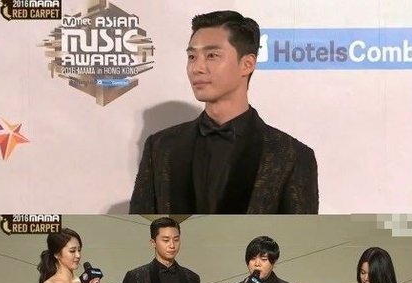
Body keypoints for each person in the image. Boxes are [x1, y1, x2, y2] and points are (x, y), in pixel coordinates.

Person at [129, 10, 318, 214]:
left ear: (247, 64)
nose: (197, 68)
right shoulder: (160, 147)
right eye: (192, 56)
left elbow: (300, 233)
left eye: (212, 55)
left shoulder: (291, 155)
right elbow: (138, 228)